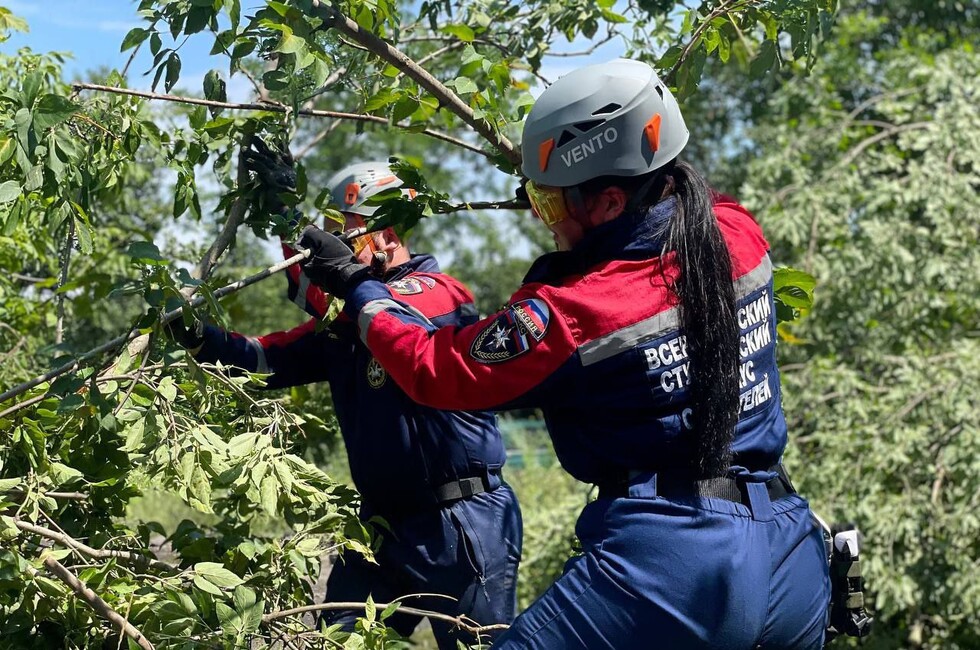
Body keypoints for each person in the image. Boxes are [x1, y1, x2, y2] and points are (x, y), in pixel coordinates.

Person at [292, 59, 832, 648]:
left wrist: (357, 287)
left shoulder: (577, 310)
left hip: (673, 561)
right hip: (791, 554)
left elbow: (436, 368)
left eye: (550, 205)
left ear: (610, 203)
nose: (542, 220)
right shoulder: (736, 231)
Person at [169, 152, 523, 649]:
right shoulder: (348, 328)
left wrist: (293, 224)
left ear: (388, 236)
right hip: (381, 527)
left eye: (344, 237)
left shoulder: (438, 294)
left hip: (461, 522)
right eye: (330, 236)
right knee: (335, 640)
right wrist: (194, 334)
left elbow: (370, 307)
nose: (334, 250)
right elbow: (264, 359)